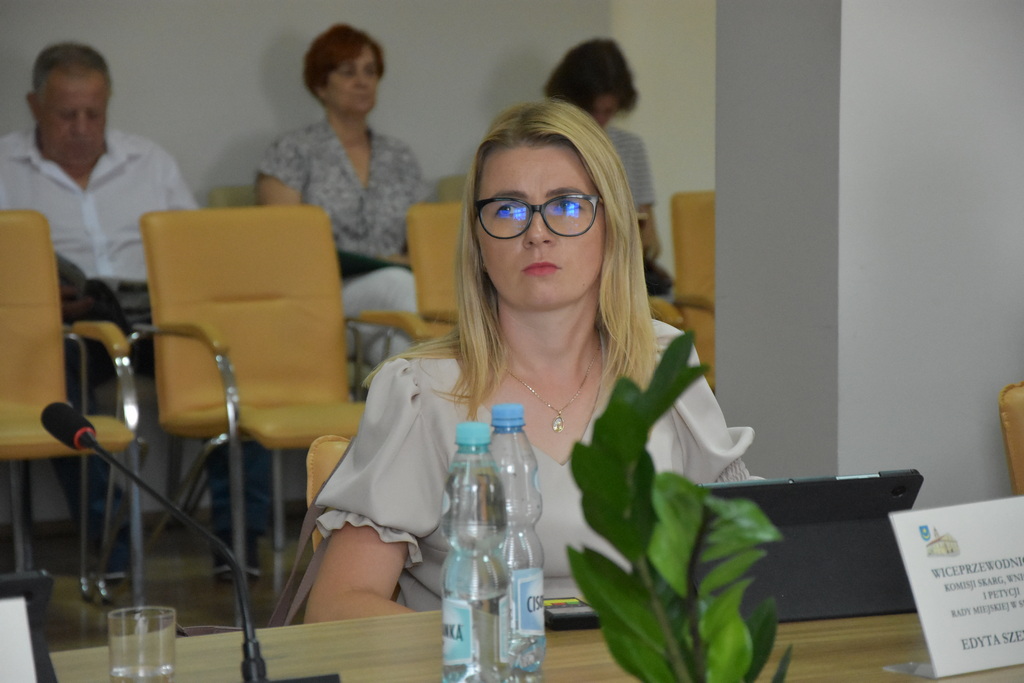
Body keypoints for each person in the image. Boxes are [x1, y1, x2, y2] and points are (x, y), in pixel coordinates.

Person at [304, 99, 754, 622]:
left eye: (566, 205)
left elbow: (748, 558)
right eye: (508, 210)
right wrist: (503, 647)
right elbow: (337, 608)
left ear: (611, 225)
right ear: (478, 241)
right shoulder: (422, 392)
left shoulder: (662, 365)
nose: (536, 232)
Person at [0, 42, 267, 581]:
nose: (81, 128)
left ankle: (238, 544)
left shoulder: (149, 161)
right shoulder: (6, 166)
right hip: (63, 329)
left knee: (230, 369)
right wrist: (35, 293)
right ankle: (113, 548)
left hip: (152, 318)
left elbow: (193, 250)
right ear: (34, 105)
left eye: (93, 114)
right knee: (55, 389)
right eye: (66, 114)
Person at [257, 23, 426, 365]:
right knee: (398, 285)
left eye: (370, 71)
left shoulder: (399, 156)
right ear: (321, 85)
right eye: (348, 72)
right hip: (322, 298)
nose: (362, 81)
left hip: (387, 308)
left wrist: (407, 260)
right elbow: (284, 247)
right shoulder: (292, 151)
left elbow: (425, 243)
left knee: (400, 356)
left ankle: (417, 400)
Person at [544, 38, 673, 296]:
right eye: (592, 111)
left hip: (619, 267)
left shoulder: (630, 147)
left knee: (662, 297)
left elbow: (650, 238)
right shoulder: (546, 147)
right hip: (562, 263)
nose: (600, 120)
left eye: (608, 111)